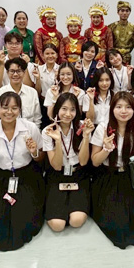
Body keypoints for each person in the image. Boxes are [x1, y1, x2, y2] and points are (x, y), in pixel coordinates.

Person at [0, 92, 45, 251]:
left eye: (14, 108)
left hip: (26, 175)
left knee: (22, 216)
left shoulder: (30, 128)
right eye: (5, 107)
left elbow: (40, 158)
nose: (9, 112)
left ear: (20, 110)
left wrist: (34, 152)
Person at [90, 92, 134, 248]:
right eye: (119, 107)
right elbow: (95, 162)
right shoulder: (103, 129)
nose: (123, 111)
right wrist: (106, 149)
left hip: (130, 176)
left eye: (128, 107)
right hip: (108, 176)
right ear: (112, 109)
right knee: (117, 224)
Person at [43, 93, 95, 232]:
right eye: (64, 109)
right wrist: (58, 141)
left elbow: (83, 162)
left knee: (76, 221)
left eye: (72, 109)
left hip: (78, 173)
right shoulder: (48, 131)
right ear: (57, 110)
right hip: (57, 174)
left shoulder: (82, 126)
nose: (68, 114)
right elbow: (56, 166)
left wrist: (86, 136)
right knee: (57, 225)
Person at [0, 58, 42, 128]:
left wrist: (34, 132)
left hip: (28, 132)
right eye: (12, 71)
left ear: (24, 72)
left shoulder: (32, 92)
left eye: (19, 71)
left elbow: (37, 118)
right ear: (7, 72)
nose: (15, 74)